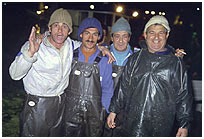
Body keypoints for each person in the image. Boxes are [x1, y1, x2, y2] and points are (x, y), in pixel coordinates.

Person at [9, 8, 113, 137]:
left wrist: (103, 49)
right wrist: (29, 54)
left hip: (60, 106)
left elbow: (88, 44)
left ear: (69, 31)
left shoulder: (71, 46)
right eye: (56, 25)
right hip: (37, 106)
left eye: (64, 26)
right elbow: (14, 74)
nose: (60, 30)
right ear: (50, 28)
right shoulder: (34, 46)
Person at [107, 15, 193, 137]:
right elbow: (123, 86)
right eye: (152, 32)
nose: (156, 37)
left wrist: (184, 124)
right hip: (132, 123)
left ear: (167, 34)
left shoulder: (176, 63)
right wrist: (113, 110)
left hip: (161, 125)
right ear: (145, 34)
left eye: (161, 33)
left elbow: (183, 95)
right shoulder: (135, 59)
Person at [63, 17, 114, 137]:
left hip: (94, 115)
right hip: (69, 112)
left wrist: (105, 112)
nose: (90, 38)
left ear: (99, 37)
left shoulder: (105, 60)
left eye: (95, 34)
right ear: (81, 34)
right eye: (87, 33)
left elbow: (107, 89)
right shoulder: (69, 55)